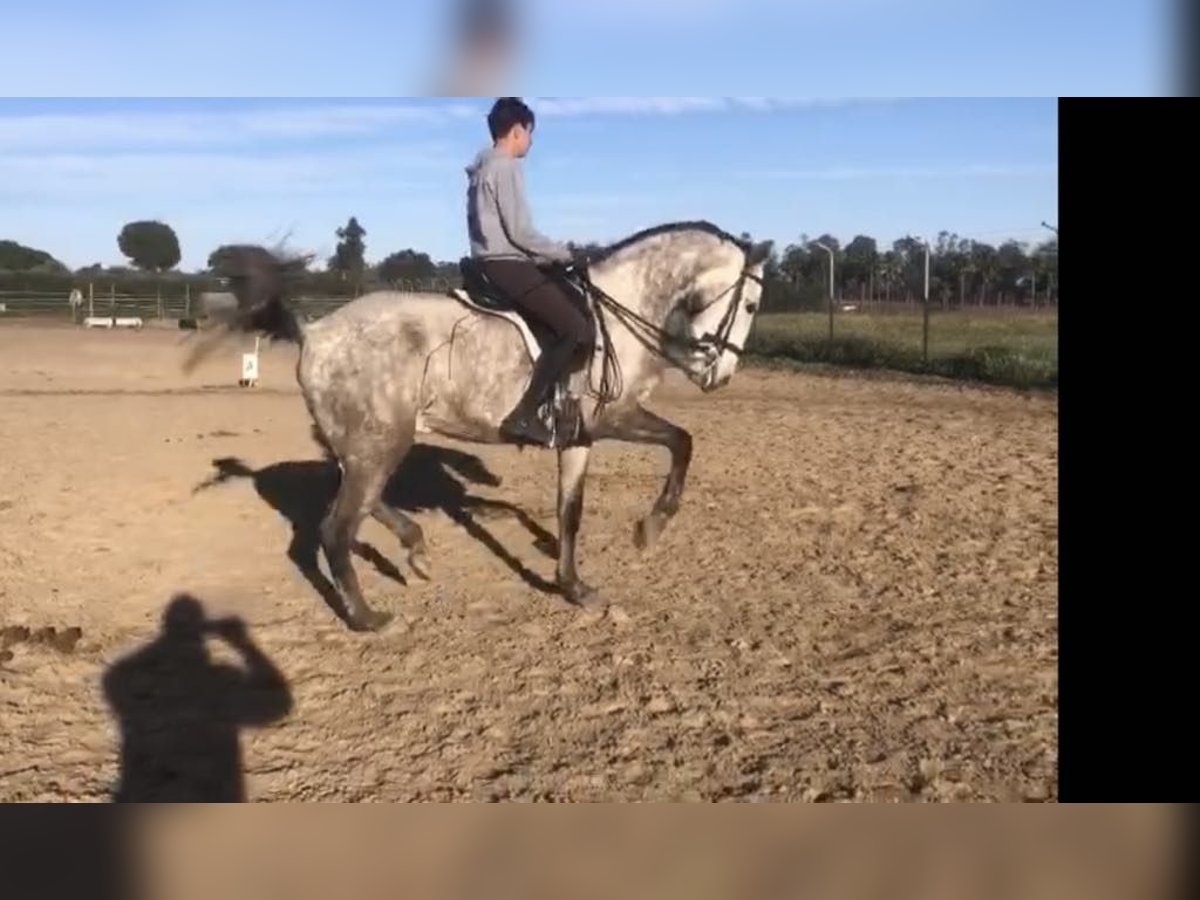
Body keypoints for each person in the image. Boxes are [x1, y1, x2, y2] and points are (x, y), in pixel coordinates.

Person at [465, 96, 595, 446]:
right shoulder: (505, 166)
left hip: (491, 261)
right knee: (576, 328)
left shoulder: (482, 167)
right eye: (530, 133)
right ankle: (525, 413)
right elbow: (520, 233)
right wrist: (566, 253)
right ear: (518, 130)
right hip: (506, 263)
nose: (531, 141)